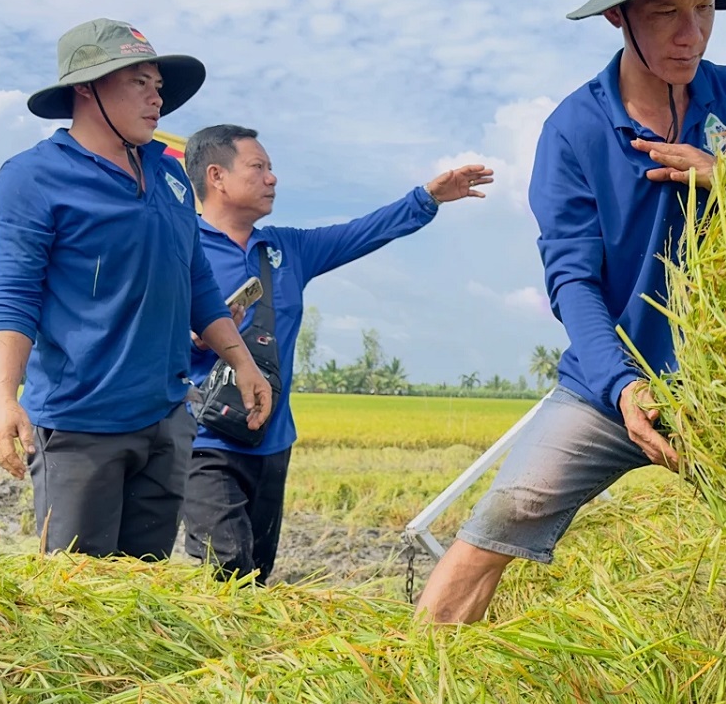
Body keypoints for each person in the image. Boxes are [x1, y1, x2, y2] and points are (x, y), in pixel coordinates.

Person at [417, 0, 726, 623]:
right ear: (619, 15)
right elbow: (573, 280)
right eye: (666, 11)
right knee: (506, 515)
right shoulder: (574, 131)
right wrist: (622, 387)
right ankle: (415, 686)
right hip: (612, 380)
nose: (691, 33)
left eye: (705, 8)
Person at [0, 19, 272, 559]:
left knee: (139, 595)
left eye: (158, 86)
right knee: (78, 599)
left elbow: (196, 280)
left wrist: (242, 362)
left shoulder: (170, 175)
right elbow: (13, 296)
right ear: (86, 89)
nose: (155, 98)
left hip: (164, 420)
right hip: (79, 423)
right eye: (138, 82)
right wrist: (1, 398)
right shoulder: (34, 176)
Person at [180, 122, 493, 582]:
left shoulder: (285, 249)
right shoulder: (178, 246)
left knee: (257, 574)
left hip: (271, 441)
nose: (272, 178)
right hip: (204, 440)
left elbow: (361, 232)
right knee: (224, 571)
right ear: (216, 176)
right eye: (258, 167)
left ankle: (250, 653)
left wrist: (427, 197)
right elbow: (139, 325)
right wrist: (189, 339)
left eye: (272, 168)